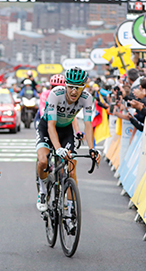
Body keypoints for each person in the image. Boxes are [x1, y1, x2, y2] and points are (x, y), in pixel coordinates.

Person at [36, 67, 100, 213]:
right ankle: (43, 191)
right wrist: (58, 148)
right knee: (43, 161)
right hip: (47, 127)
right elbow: (51, 125)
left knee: (71, 170)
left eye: (78, 88)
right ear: (65, 85)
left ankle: (71, 210)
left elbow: (88, 125)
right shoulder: (55, 94)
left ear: (83, 87)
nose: (73, 91)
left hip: (66, 130)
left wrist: (92, 149)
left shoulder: (87, 98)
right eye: (70, 87)